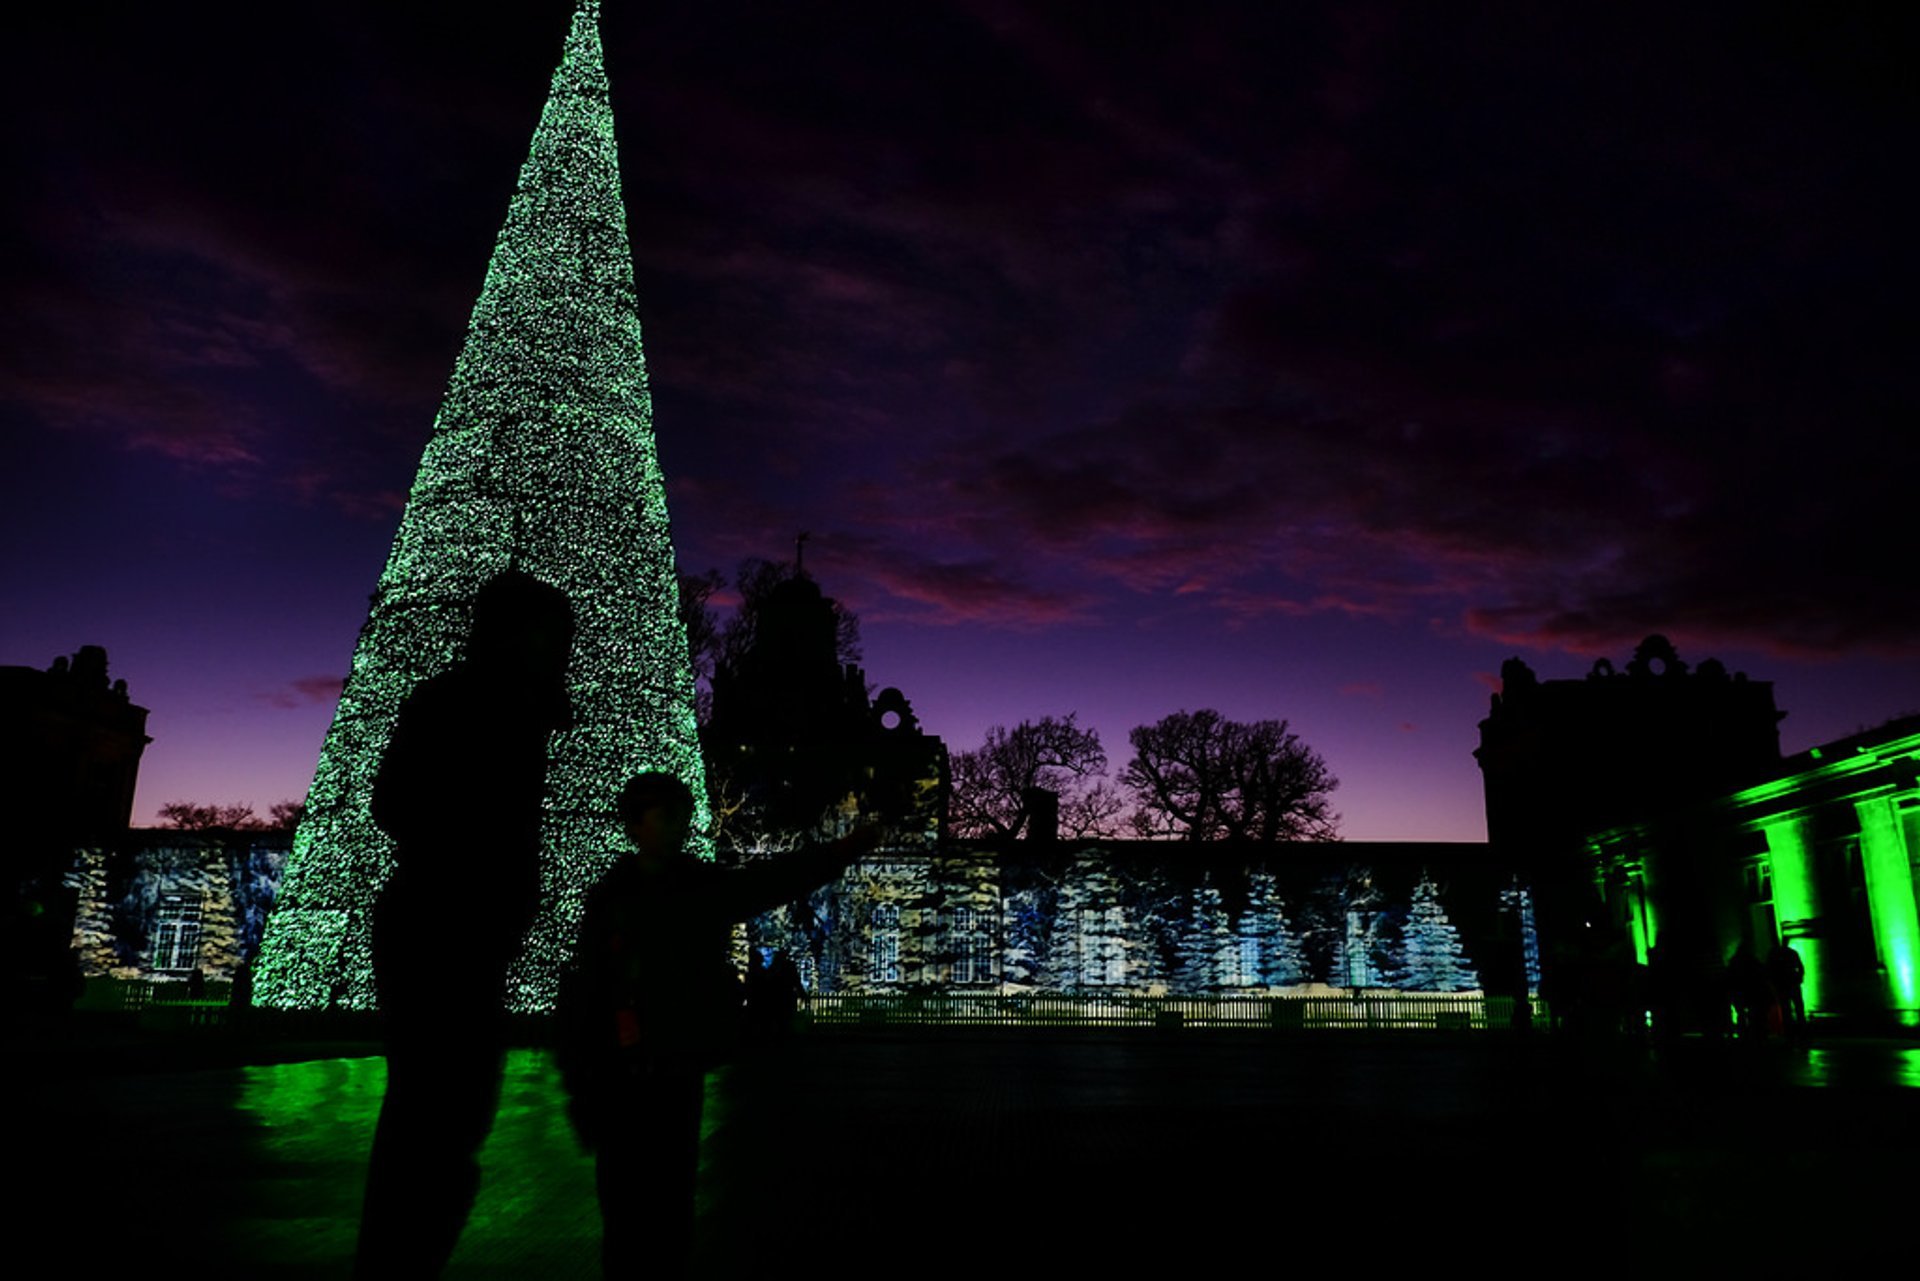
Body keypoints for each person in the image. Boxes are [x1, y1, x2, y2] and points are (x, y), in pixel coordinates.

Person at [558, 773, 873, 1277]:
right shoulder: (611, 899)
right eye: (667, 813)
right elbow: (585, 995)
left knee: (669, 1214)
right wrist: (581, 1086)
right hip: (622, 1076)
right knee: (625, 1215)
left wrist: (838, 852)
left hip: (676, 1069)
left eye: (683, 814)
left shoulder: (695, 887)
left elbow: (769, 881)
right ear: (637, 823)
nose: (681, 825)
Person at [354, 570, 574, 1279]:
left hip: (474, 932)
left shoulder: (522, 708)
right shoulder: (457, 702)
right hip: (437, 927)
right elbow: (392, 801)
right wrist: (475, 845)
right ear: (515, 632)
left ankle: (403, 1258)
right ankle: (395, 1264)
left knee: (450, 1115)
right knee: (435, 1115)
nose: (563, 647)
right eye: (551, 631)